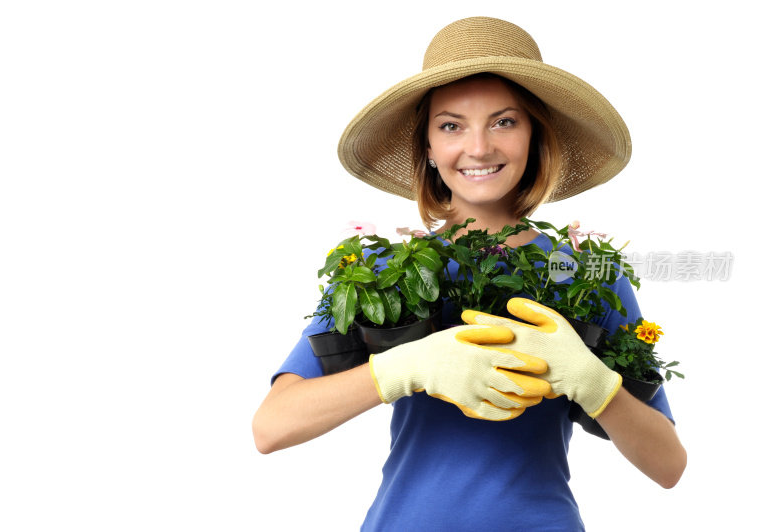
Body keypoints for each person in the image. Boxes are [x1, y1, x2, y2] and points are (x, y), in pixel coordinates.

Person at [253, 17, 686, 531]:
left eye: (504, 121)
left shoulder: (586, 275)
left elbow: (669, 465)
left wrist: (594, 384)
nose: (478, 148)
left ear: (535, 136)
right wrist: (403, 368)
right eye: (451, 125)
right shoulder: (380, 274)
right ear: (429, 148)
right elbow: (271, 427)